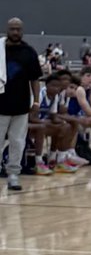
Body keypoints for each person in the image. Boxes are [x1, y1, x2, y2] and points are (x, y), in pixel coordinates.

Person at [0, 18, 41, 191]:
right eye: (12, 29)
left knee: (18, 141)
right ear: (7, 30)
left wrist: (36, 102)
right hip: (0, 105)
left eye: (18, 29)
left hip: (21, 105)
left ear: (22, 30)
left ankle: (13, 174)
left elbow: (35, 80)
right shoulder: (0, 50)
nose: (15, 32)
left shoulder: (29, 52)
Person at [31, 75, 83, 174]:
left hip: (42, 124)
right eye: (52, 86)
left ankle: (58, 160)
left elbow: (53, 116)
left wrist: (63, 122)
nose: (55, 88)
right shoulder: (39, 95)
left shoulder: (55, 97)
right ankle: (38, 162)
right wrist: (44, 122)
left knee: (65, 127)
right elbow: (30, 117)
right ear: (46, 85)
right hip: (29, 125)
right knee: (42, 127)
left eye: (57, 86)